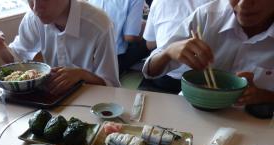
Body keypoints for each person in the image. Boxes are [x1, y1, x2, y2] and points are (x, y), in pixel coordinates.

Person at [142, 0, 274, 108]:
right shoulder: (207, 15)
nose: (243, 4)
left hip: (254, 126)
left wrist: (264, 96)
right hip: (192, 112)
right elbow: (150, 71)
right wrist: (169, 52)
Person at [0, 0, 120, 95]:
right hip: (49, 101)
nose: (35, 8)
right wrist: (0, 48)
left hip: (88, 102)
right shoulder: (33, 18)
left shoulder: (98, 25)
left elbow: (111, 85)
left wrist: (81, 74)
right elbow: (15, 60)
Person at [140, 0, 212, 93]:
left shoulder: (158, 2)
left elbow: (149, 44)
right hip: (207, 84)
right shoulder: (219, 6)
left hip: (166, 80)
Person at [88, 0, 150, 75]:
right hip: (112, 61)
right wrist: (148, 25)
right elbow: (130, 37)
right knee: (149, 40)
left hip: (87, 56)